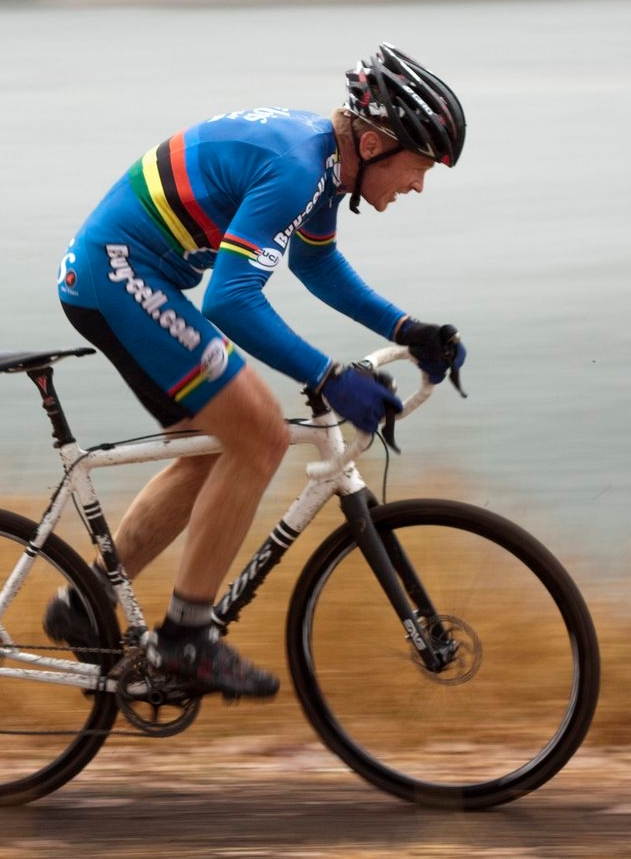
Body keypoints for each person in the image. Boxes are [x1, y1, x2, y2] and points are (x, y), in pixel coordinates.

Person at [45, 42, 468, 699]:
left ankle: (84, 602)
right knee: (262, 435)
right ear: (378, 143)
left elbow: (316, 265)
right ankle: (186, 639)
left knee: (213, 449)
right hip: (119, 272)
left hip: (126, 273)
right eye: (420, 167)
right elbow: (231, 300)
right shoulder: (298, 167)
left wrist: (405, 329)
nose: (416, 184)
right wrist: (329, 377)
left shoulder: (325, 163)